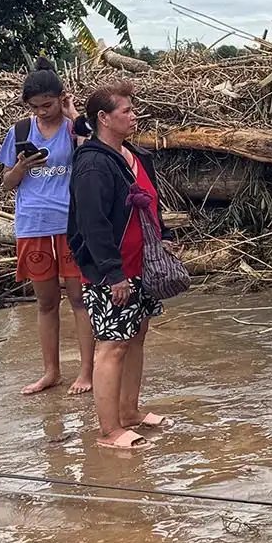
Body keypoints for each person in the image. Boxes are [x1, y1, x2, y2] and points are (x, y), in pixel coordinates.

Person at [68, 82, 175, 450]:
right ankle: (109, 431)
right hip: (110, 272)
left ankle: (130, 413)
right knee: (112, 346)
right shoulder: (93, 164)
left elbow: (150, 204)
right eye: (126, 111)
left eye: (133, 109)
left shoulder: (135, 156)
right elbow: (92, 223)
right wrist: (112, 273)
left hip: (140, 264)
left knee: (136, 337)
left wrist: (165, 234)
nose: (134, 116)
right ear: (103, 118)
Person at [0, 58, 95, 396]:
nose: (42, 112)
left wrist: (72, 115)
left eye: (48, 105)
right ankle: (50, 372)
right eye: (35, 107)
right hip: (32, 224)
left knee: (80, 298)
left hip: (70, 223)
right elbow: (7, 183)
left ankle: (87, 372)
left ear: (61, 98)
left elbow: (91, 155)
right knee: (46, 303)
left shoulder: (74, 128)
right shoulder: (20, 132)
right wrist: (22, 166)